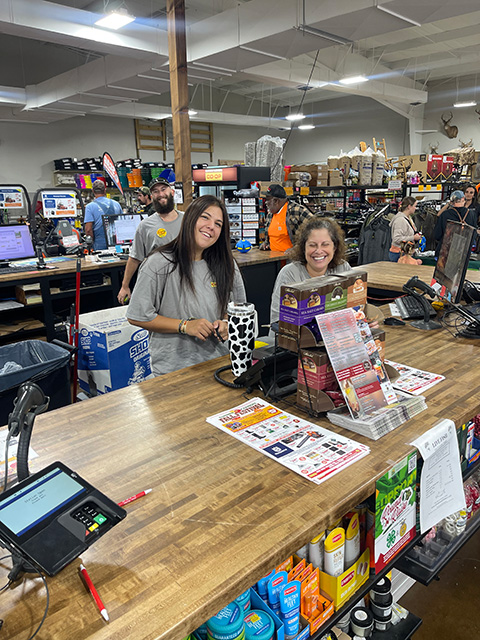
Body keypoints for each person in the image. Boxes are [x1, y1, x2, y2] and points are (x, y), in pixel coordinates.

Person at [127, 195, 246, 376]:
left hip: (221, 364)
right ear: (190, 218)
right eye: (205, 217)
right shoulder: (159, 263)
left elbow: (237, 309)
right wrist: (185, 326)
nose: (211, 227)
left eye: (218, 224)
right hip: (174, 370)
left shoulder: (227, 264)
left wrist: (226, 323)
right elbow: (137, 316)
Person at [270, 217, 351, 325]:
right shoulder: (290, 274)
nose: (318, 251)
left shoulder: (343, 268)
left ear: (334, 247)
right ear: (304, 248)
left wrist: (366, 321)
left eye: (325, 244)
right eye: (312, 245)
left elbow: (358, 308)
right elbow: (278, 320)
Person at [118, 178, 183, 304]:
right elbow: (135, 257)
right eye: (155, 191)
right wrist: (125, 286)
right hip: (157, 285)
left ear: (172, 192)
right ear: (152, 196)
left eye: (163, 189)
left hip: (184, 283)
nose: (160, 194)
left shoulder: (188, 220)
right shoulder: (145, 225)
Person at [259, 184, 314, 252]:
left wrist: (298, 248)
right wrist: (266, 244)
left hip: (292, 259)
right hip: (274, 259)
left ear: (276, 201)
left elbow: (316, 228)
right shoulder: (270, 215)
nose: (266, 203)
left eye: (267, 200)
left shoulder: (297, 210)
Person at [434, 190, 477, 257]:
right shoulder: (472, 214)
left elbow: (437, 235)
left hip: (446, 252)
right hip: (463, 252)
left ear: (451, 201)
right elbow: (474, 233)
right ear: (463, 199)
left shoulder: (445, 214)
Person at [84, 180, 123, 250]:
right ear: (105, 190)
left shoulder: (90, 207)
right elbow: (122, 224)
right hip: (117, 242)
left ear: (93, 191)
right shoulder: (116, 204)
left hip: (100, 244)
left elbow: (88, 230)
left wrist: (90, 243)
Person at [389, 196, 422, 262]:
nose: (415, 208)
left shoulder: (408, 218)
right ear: (409, 206)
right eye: (415, 206)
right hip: (399, 254)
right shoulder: (400, 220)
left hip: (404, 253)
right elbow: (396, 239)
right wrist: (413, 238)